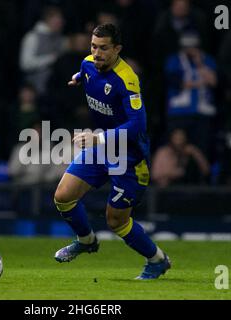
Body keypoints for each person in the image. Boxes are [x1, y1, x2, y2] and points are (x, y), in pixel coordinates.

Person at [53, 24, 171, 280]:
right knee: (63, 196)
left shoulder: (127, 80)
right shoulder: (87, 64)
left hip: (129, 158)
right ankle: (86, 241)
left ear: (117, 49)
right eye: (94, 46)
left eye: (104, 48)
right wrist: (78, 77)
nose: (97, 53)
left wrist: (98, 137)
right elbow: (87, 71)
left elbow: (137, 125)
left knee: (115, 221)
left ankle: (157, 260)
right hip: (102, 149)